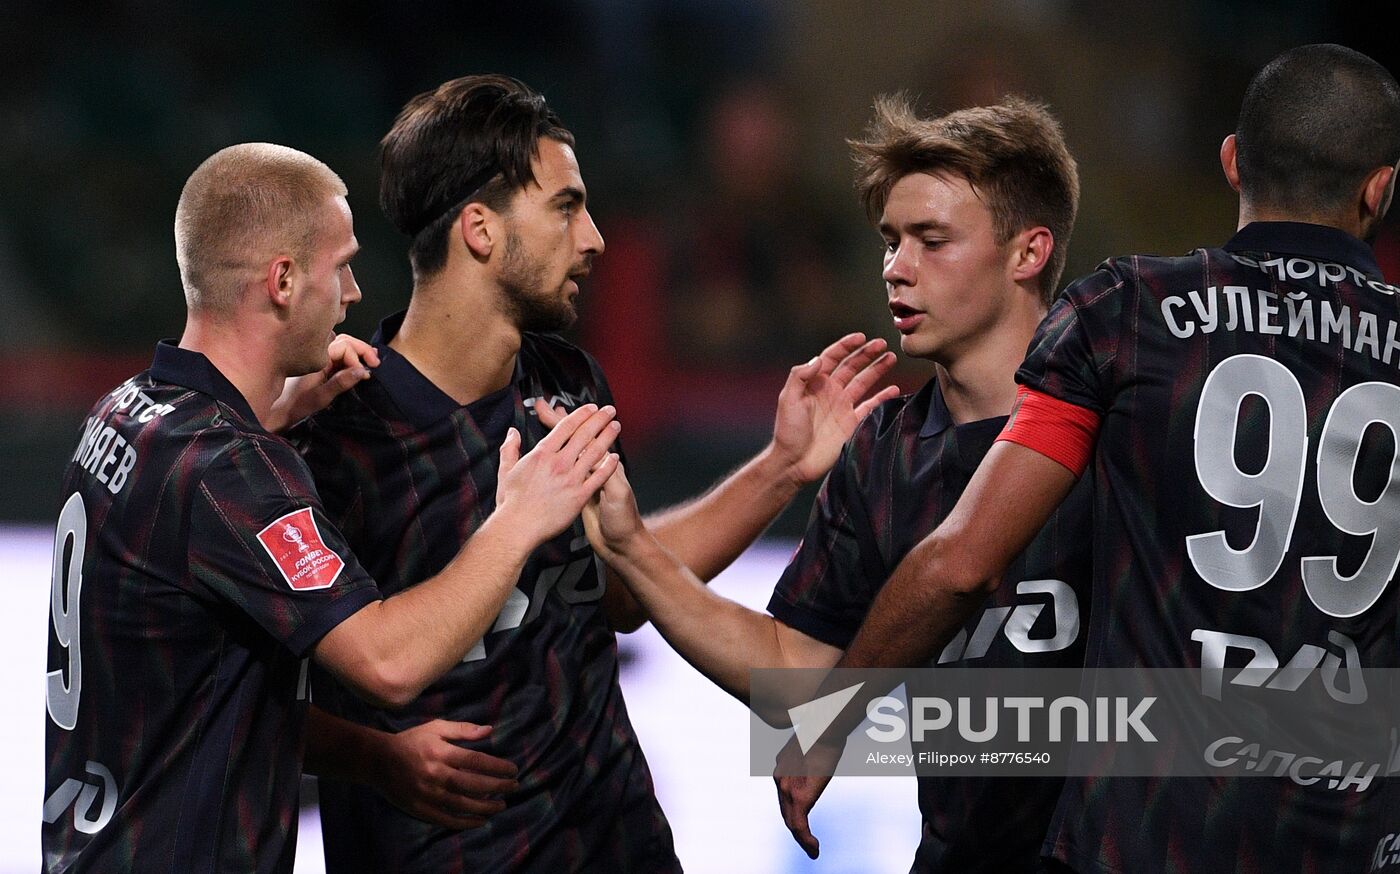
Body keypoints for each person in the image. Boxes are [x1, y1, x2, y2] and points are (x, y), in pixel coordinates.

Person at [776, 44, 1400, 873]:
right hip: (1351, 833)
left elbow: (964, 561)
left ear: (1233, 161)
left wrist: (828, 721)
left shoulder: (1128, 311)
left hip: (1147, 833)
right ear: (1380, 186)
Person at [293, 73, 897, 872]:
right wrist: (371, 756)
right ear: (479, 229)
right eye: (567, 206)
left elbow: (615, 586)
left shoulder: (565, 382)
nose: (596, 239)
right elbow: (245, 698)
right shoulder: (334, 438)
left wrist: (783, 466)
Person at [41, 142, 622, 872]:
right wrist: (519, 520)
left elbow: (203, 689)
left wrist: (377, 757)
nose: (352, 292)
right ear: (283, 280)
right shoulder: (229, 472)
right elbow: (388, 662)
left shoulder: (126, 414)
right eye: (339, 265)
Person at [583, 95, 1090, 872]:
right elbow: (797, 676)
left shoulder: (1122, 430)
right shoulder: (883, 454)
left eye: (932, 241)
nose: (896, 268)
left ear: (1028, 253)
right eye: (891, 242)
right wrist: (631, 549)